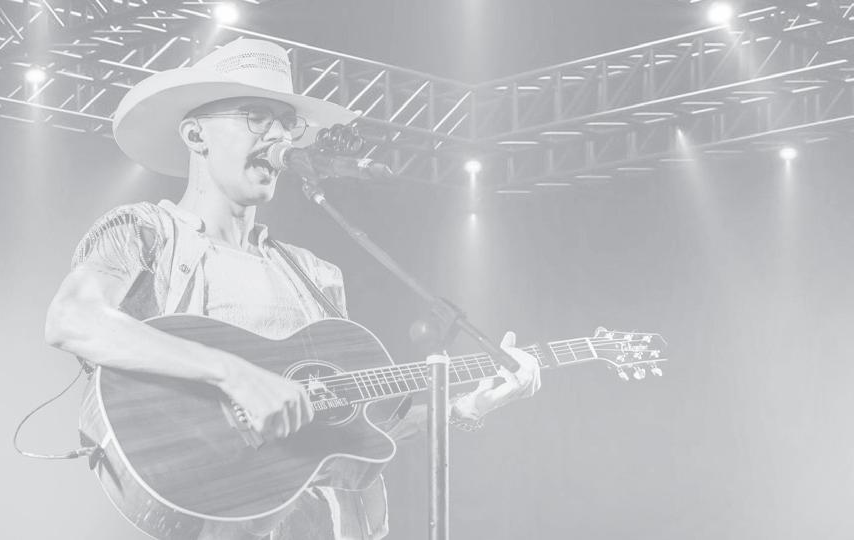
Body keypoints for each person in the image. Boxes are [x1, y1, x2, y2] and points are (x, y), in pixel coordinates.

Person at [44, 37, 541, 540]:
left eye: (286, 122)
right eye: (258, 117)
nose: (279, 135)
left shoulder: (312, 274)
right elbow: (72, 319)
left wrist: (466, 407)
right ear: (196, 135)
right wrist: (234, 374)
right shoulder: (147, 231)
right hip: (216, 516)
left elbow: (346, 433)